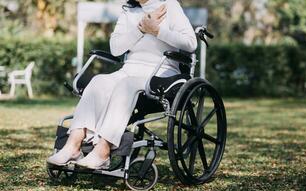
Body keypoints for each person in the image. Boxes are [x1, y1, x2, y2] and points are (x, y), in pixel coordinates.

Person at [47, 0, 197, 169]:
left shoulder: (170, 5)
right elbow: (116, 48)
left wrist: (157, 30)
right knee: (98, 81)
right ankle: (72, 146)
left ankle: (103, 151)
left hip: (162, 73)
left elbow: (191, 43)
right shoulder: (129, 11)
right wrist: (141, 28)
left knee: (126, 85)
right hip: (129, 69)